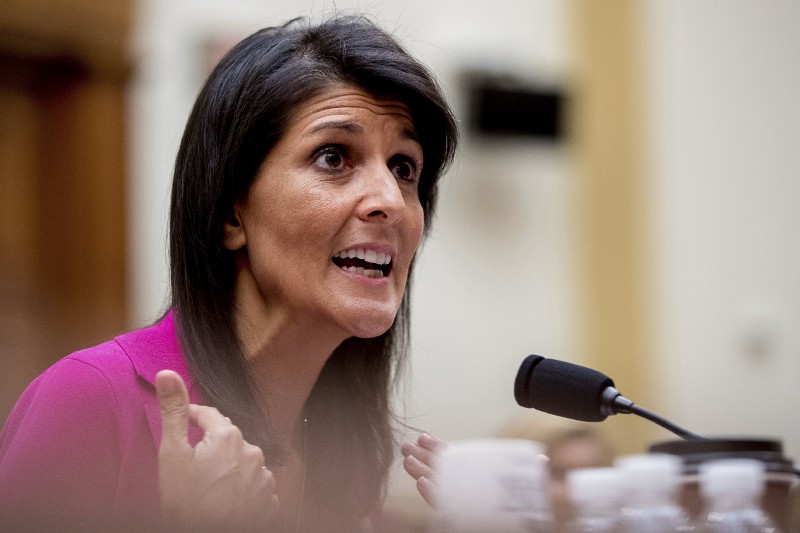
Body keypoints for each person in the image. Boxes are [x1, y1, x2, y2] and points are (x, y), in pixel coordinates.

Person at [0, 15, 457, 532]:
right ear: (231, 214)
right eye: (334, 157)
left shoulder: (346, 465)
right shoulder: (88, 400)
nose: (390, 202)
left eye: (404, 167)